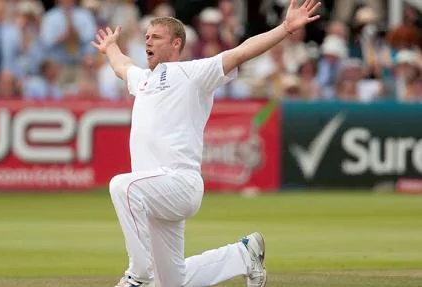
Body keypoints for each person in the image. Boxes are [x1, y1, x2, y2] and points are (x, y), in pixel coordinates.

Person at [91, 1, 321, 286]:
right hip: (155, 195)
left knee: (121, 186)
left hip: (178, 183)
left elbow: (241, 52)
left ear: (176, 44)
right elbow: (122, 65)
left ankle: (138, 275)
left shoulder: (193, 73)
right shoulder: (143, 80)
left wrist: (285, 28)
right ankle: (243, 254)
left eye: (156, 36)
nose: (147, 40)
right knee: (172, 283)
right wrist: (111, 47)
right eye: (146, 36)